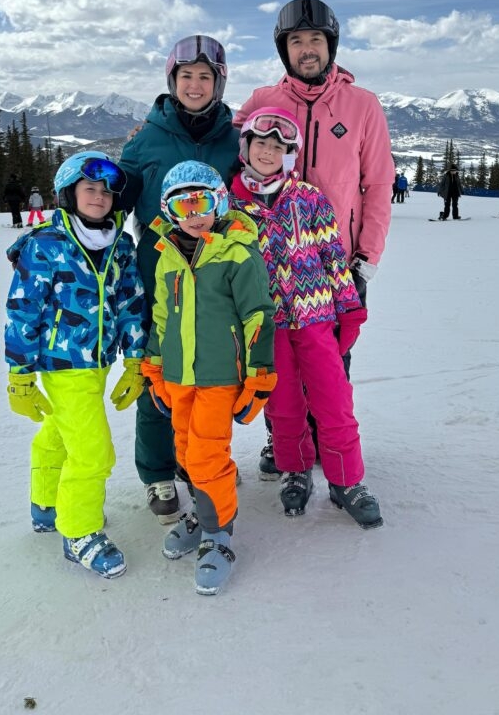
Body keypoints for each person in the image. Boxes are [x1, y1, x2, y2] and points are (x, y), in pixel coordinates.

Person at [234, 0, 394, 476]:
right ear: (285, 50)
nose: (307, 50)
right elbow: (224, 152)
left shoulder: (362, 105)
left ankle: (329, 439)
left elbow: (379, 182)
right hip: (267, 259)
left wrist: (366, 257)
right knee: (275, 359)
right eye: (296, 41)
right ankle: (283, 440)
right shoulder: (263, 101)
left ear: (331, 45)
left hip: (333, 261)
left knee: (330, 358)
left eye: (315, 40)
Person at [230, 108, 382, 528]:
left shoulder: (308, 198)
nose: (267, 152)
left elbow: (334, 256)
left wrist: (348, 310)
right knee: (283, 406)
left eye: (277, 147)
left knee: (334, 400)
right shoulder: (229, 208)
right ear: (246, 148)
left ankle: (347, 481)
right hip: (267, 326)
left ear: (289, 155)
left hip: (316, 319)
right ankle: (294, 469)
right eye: (260, 143)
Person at [5, 150, 148, 580]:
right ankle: (79, 531)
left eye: (106, 190)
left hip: (99, 359)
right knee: (92, 451)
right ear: (69, 193)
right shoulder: (46, 244)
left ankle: (47, 504)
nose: (99, 196)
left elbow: (130, 302)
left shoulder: (120, 244)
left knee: (60, 432)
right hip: (61, 361)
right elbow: (23, 309)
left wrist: (136, 360)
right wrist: (19, 373)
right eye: (90, 188)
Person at [119, 36, 240, 524]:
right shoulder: (144, 140)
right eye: (186, 75)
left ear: (218, 82)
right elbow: (112, 201)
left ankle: (198, 462)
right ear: (172, 82)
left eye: (205, 76)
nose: (195, 84)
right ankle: (157, 473)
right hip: (161, 285)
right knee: (161, 379)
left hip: (215, 287)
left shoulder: (235, 139)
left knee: (208, 381)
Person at [142, 161, 276, 595]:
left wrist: (258, 377)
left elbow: (258, 315)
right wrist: (155, 368)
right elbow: (161, 317)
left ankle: (219, 536)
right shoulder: (168, 257)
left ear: (220, 201)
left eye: (203, 201)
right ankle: (202, 514)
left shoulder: (237, 252)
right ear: (170, 210)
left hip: (220, 377)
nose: (195, 213)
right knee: (184, 448)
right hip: (180, 377)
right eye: (184, 204)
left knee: (207, 457)